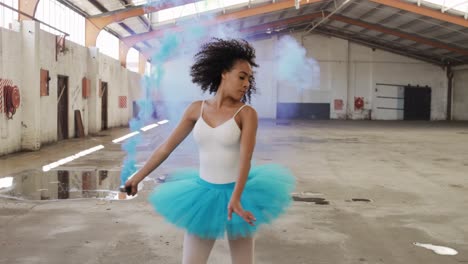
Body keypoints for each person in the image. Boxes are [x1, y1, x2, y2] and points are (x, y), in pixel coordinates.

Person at [124, 38, 295, 264]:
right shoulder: (196, 109)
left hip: (240, 194)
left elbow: (246, 158)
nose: (246, 84)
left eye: (249, 80)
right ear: (224, 73)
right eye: (241, 77)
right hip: (203, 195)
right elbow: (166, 148)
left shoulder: (246, 114)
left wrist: (235, 198)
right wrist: (138, 176)